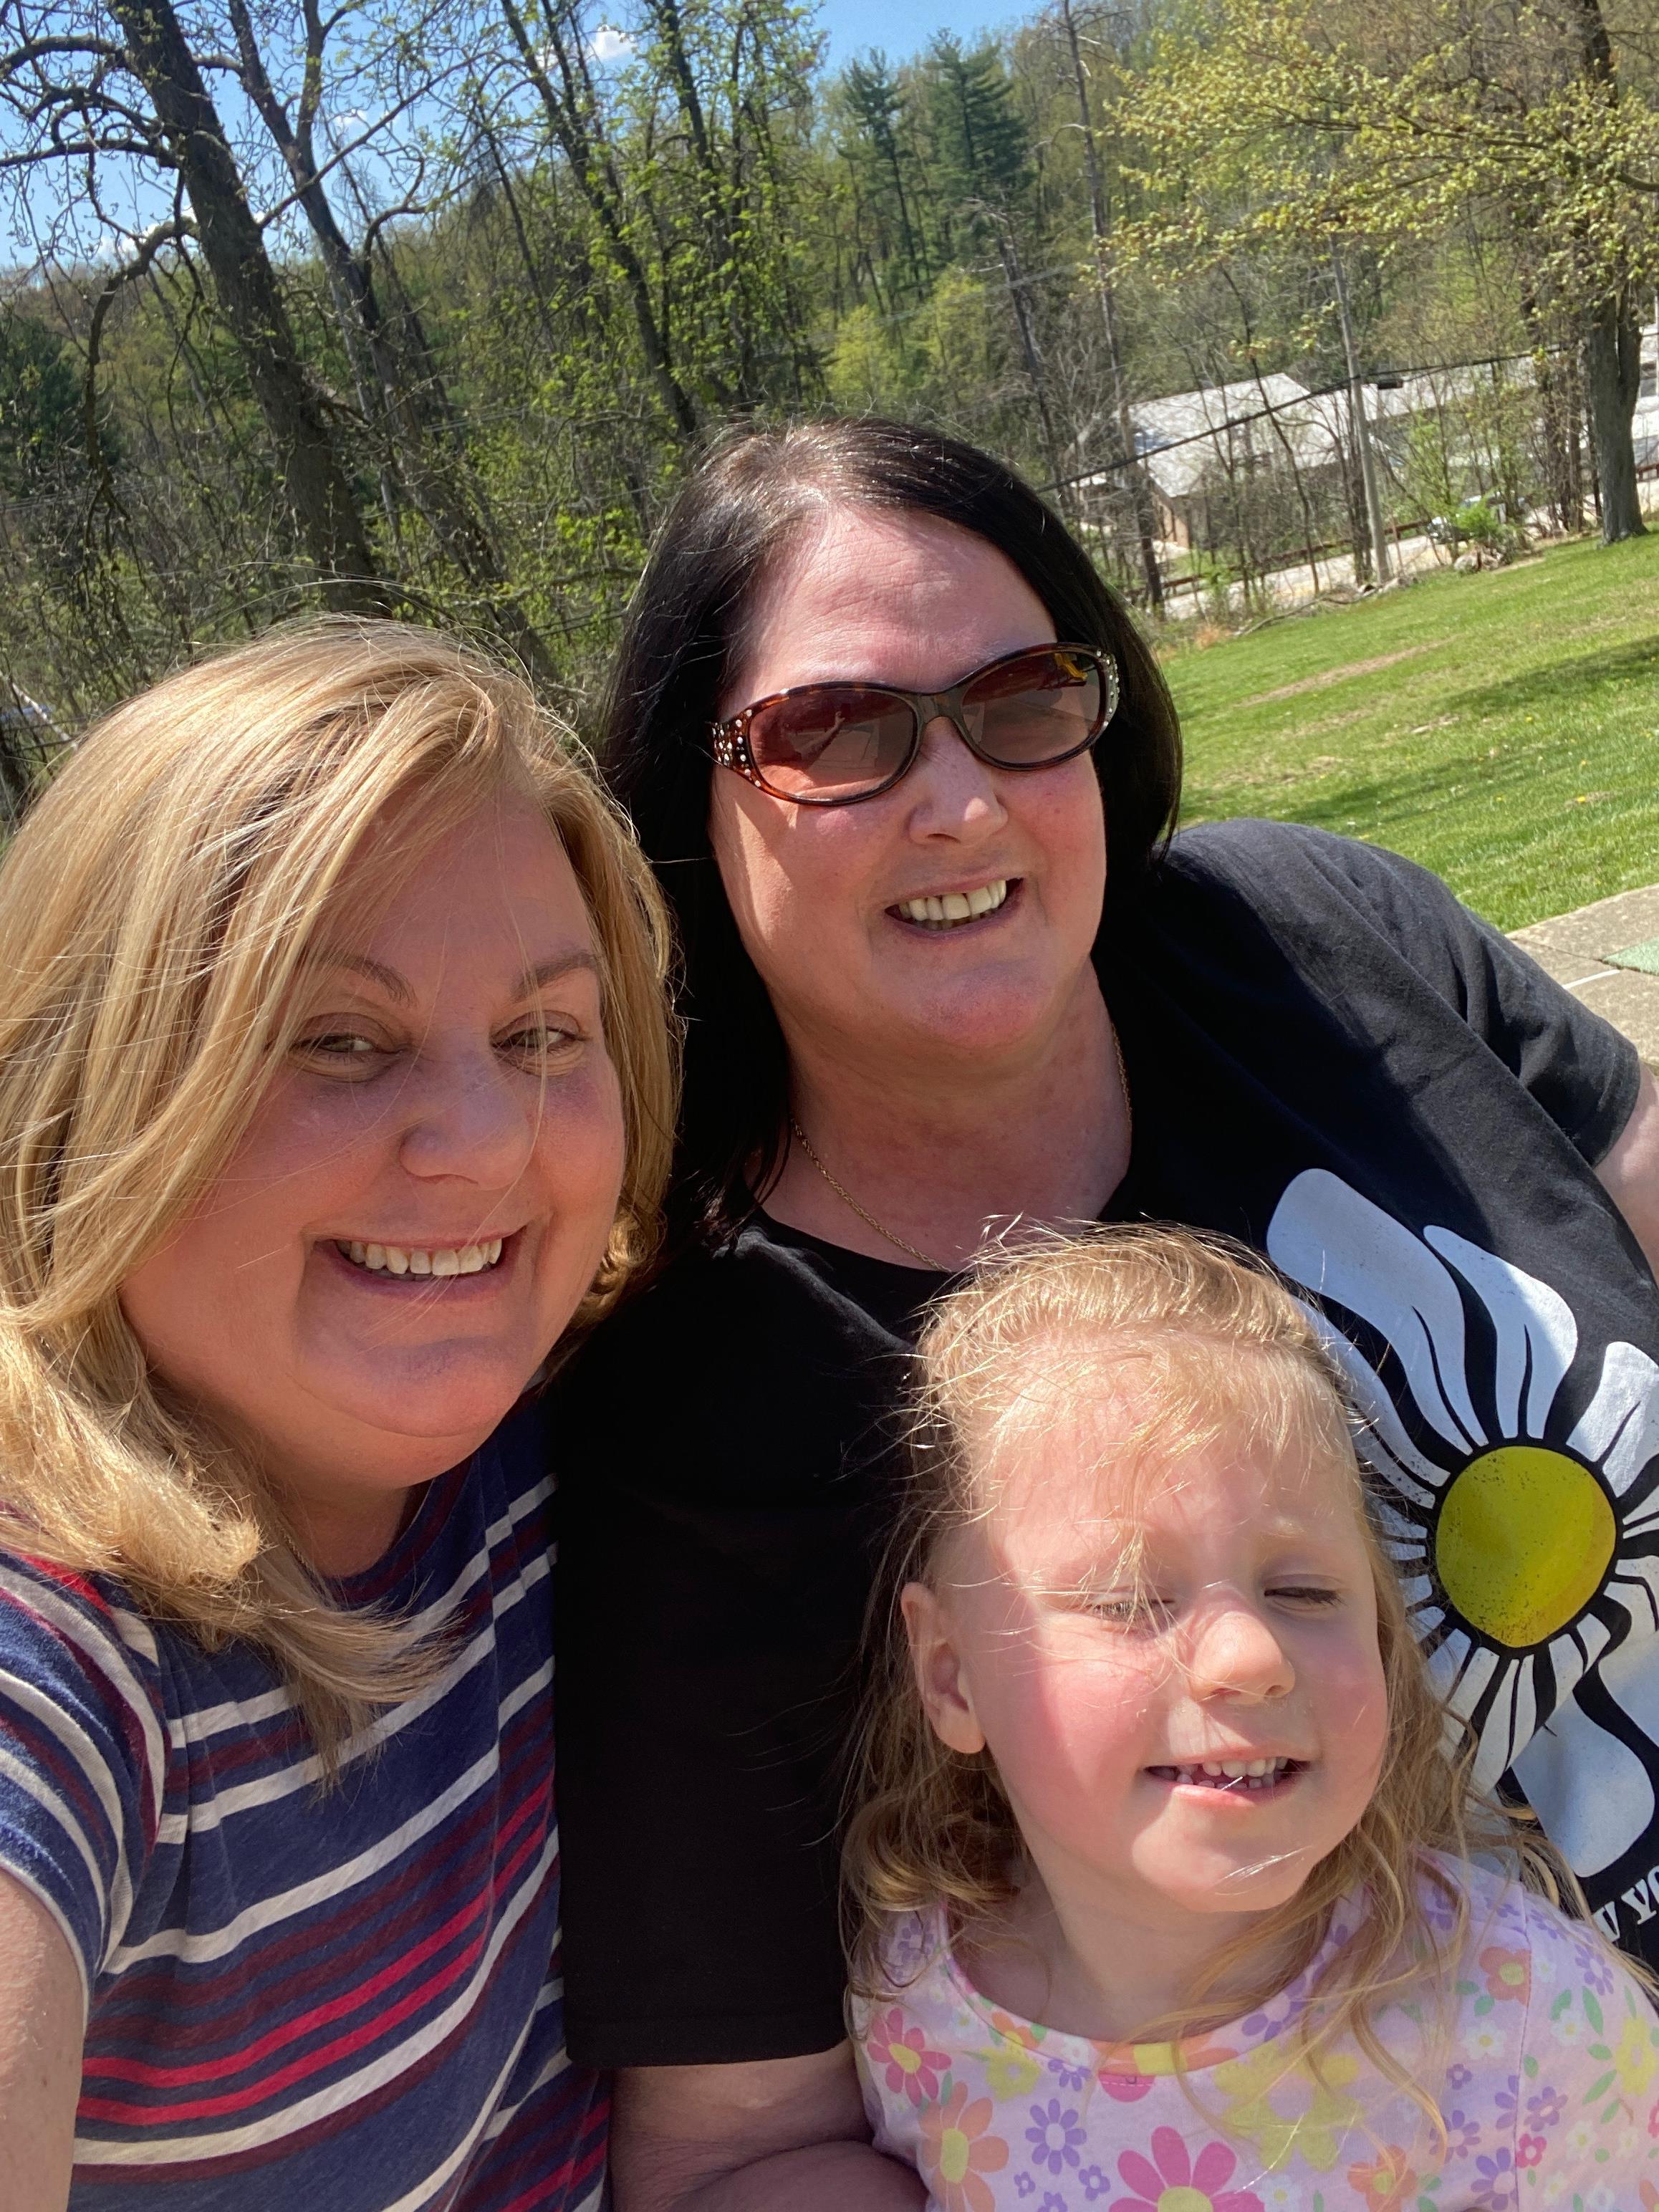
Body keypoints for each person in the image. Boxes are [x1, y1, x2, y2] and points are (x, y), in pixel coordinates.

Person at [550, 416, 1659, 2208]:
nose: (962, 798)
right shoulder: (707, 1413)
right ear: (694, 797)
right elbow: (739, 2147)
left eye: (1021, 698)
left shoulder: (1307, 926)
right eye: (837, 731)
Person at [0, 620, 675, 2211]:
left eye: (542, 1036)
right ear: (79, 1099)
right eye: (339, 1041)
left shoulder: (555, 1444)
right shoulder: (64, 1658)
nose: (485, 1140)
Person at [846, 1224, 1659, 2207]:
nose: (1252, 1657)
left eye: (1305, 1592)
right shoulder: (911, 1996)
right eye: (1130, 1598)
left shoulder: (1527, 2020)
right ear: (952, 1677)